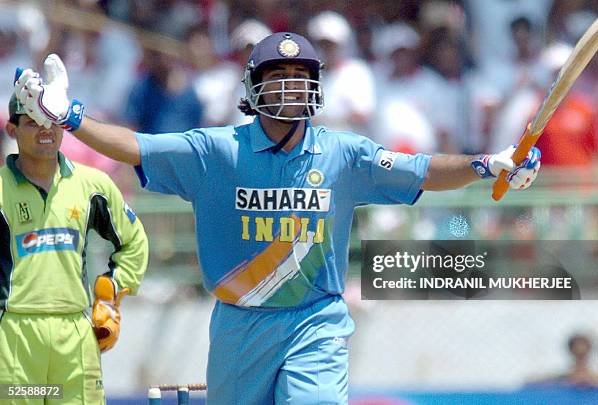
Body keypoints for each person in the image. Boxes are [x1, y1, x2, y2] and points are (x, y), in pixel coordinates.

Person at [15, 33, 540, 404]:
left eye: (299, 75)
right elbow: (136, 146)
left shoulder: (344, 154)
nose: (290, 85)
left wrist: (485, 163)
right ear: (253, 86)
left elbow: (423, 170)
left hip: (315, 320)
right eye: (277, 75)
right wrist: (73, 117)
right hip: (240, 324)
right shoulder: (215, 151)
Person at [0, 92, 149, 403]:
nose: (46, 130)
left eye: (53, 121)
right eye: (33, 122)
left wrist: (112, 296)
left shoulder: (92, 184)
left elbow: (133, 240)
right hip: (13, 335)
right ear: (12, 131)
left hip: (75, 333)